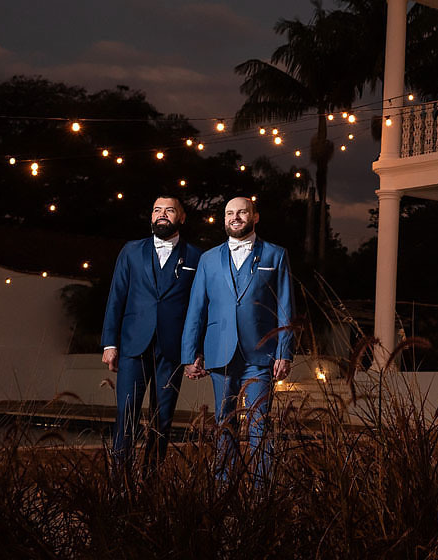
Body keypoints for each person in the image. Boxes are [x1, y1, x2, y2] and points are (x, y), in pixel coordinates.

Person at [181, 196, 293, 481]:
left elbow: (285, 307)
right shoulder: (208, 259)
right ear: (224, 219)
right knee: (224, 422)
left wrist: (284, 352)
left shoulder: (275, 254)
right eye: (230, 213)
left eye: (242, 212)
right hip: (220, 352)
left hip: (262, 353)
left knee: (260, 423)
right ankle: (223, 487)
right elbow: (196, 309)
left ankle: (262, 491)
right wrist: (189, 354)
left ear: (255, 217)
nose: (235, 217)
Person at [100, 195, 202, 473]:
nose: (162, 214)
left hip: (173, 350)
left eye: (169, 210)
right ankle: (120, 481)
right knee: (126, 415)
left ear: (182, 217)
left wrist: (195, 350)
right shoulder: (131, 251)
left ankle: (151, 480)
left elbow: (199, 307)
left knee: (163, 419)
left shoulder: (196, 256)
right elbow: (116, 297)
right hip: (133, 346)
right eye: (157, 210)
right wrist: (109, 343)